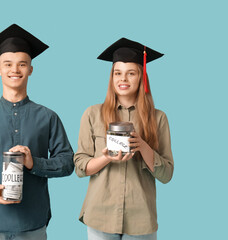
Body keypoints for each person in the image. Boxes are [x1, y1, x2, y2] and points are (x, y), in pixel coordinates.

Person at [0, 24, 74, 240]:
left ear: (30, 69)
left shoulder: (48, 117)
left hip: (32, 224)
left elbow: (67, 163)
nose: (15, 70)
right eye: (8, 64)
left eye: (22, 64)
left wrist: (33, 163)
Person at [74, 38, 174, 240]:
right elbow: (80, 167)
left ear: (141, 77)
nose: (123, 79)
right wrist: (107, 158)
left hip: (141, 219)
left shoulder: (158, 118)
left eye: (131, 73)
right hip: (100, 214)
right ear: (111, 77)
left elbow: (167, 175)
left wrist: (143, 146)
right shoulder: (92, 114)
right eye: (117, 73)